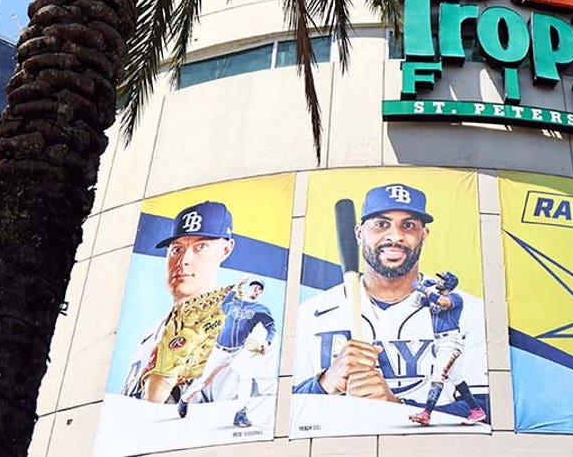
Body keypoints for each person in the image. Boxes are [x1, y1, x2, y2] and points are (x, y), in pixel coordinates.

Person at [293, 183, 488, 422]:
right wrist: (323, 384)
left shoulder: (469, 310)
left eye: (408, 225)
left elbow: (487, 410)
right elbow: (279, 413)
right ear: (358, 233)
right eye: (381, 224)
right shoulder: (309, 314)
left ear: (423, 235)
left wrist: (398, 408)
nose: (395, 236)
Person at [120, 201, 240, 406]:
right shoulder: (151, 332)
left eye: (201, 247)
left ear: (226, 250)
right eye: (177, 249)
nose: (184, 260)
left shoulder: (236, 329)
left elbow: (235, 424)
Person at [177, 279, 278, 428]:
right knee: (204, 382)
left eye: (259, 289)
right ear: (249, 289)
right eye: (254, 287)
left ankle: (240, 413)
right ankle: (185, 400)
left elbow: (271, 328)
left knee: (246, 379)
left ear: (260, 293)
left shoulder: (260, 309)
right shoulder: (232, 305)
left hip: (238, 352)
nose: (256, 290)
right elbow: (223, 304)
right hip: (219, 351)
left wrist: (267, 342)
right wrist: (236, 287)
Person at [407, 271, 487, 426]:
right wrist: (421, 288)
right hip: (440, 342)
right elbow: (414, 303)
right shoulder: (433, 296)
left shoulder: (455, 297)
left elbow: (444, 303)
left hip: (451, 340)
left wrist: (425, 289)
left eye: (442, 279)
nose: (439, 281)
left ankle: (426, 413)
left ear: (449, 283)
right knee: (456, 378)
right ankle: (476, 411)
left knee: (438, 375)